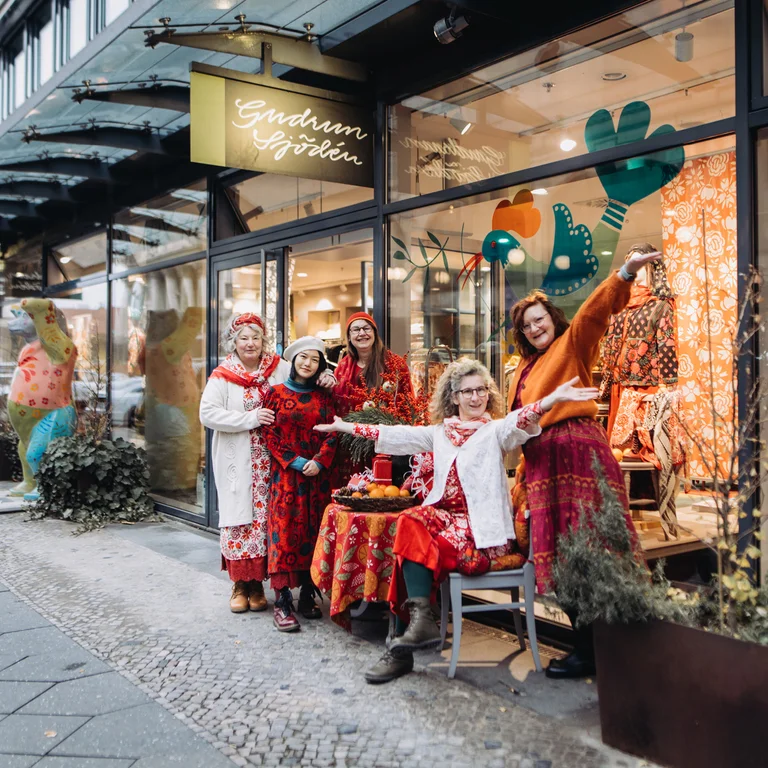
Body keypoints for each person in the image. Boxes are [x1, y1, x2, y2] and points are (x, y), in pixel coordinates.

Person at [316, 359, 596, 683]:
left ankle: (401, 647)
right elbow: (393, 434)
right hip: (445, 517)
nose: (476, 397)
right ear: (454, 397)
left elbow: (521, 419)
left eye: (481, 390)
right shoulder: (440, 433)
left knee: (412, 554)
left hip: (481, 530)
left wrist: (551, 399)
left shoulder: (494, 431)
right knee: (408, 522)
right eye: (468, 391)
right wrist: (344, 427)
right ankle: (419, 621)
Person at [507, 249, 661, 679]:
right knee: (557, 555)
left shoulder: (571, 344)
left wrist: (625, 273)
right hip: (542, 462)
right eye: (526, 324)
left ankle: (599, 649)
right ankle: (591, 647)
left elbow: (595, 312)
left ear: (554, 319)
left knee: (589, 551)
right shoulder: (525, 366)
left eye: (540, 319)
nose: (536, 327)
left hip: (576, 453)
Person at [199, 314, 333, 615]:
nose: (250, 343)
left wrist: (329, 377)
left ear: (264, 341)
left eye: (256, 337)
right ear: (234, 342)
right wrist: (250, 418)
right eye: (244, 338)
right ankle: (239, 583)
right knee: (239, 521)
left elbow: (305, 370)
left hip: (275, 461)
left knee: (266, 523)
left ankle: (258, 583)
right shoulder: (222, 376)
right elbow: (207, 414)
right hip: (238, 458)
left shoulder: (277, 367)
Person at [262, 337, 338, 633]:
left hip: (318, 476)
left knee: (314, 530)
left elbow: (334, 432)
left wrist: (319, 461)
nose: (308, 363)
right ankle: (282, 601)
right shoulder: (275, 394)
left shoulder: (325, 397)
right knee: (284, 532)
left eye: (315, 360)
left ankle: (308, 593)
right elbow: (269, 434)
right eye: (303, 358)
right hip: (287, 476)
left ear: (320, 366)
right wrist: (294, 461)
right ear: (293, 360)